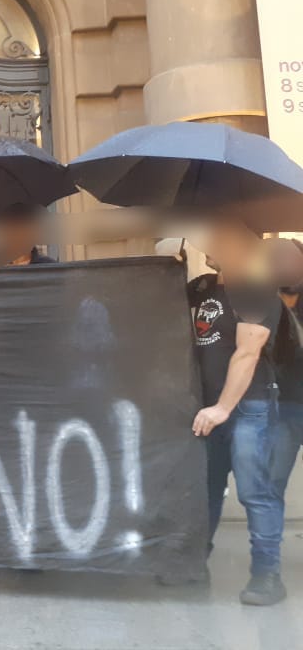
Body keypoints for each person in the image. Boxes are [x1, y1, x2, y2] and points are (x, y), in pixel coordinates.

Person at [189, 219, 287, 606]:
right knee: (205, 491)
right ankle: (193, 562)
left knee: (255, 493)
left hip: (249, 408)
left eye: (219, 237)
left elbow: (247, 353)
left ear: (245, 246)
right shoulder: (202, 288)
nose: (208, 241)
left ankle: (267, 576)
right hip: (207, 408)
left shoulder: (257, 288)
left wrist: (222, 408)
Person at [268, 239, 303, 562]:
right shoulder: (261, 302)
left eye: (291, 258)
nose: (285, 265)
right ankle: (270, 557)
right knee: (272, 482)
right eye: (276, 259)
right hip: (281, 408)